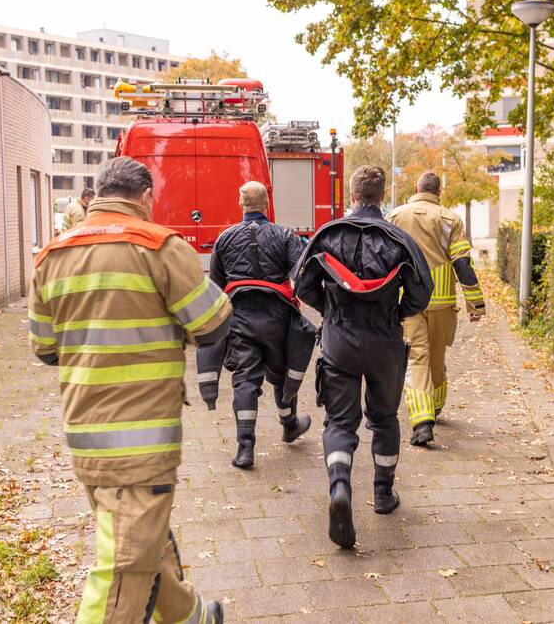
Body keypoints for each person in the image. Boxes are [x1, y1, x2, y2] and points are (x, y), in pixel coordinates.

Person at [29, 157, 229, 624]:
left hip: (85, 436)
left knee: (139, 539)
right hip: (142, 440)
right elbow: (213, 324)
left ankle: (192, 617)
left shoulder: (51, 255)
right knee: (124, 567)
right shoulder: (158, 247)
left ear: (97, 193)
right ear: (145, 198)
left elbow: (43, 348)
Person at [292, 165, 431, 549]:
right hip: (385, 342)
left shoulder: (327, 235)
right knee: (385, 419)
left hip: (339, 340)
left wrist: (332, 312)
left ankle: (340, 489)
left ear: (352, 196)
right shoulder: (400, 240)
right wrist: (395, 315)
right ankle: (384, 495)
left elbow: (302, 285)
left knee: (339, 421)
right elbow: (422, 294)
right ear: (381, 196)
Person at [195, 181, 317, 469]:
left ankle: (245, 449)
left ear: (241, 204)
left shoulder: (225, 238)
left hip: (240, 318)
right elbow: (301, 273)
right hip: (278, 317)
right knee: (282, 373)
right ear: (266, 204)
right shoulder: (285, 235)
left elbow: (215, 286)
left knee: (245, 379)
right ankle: (289, 424)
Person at [387, 172, 486, 447]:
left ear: (416, 188)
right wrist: (475, 304)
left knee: (417, 357)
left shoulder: (395, 217)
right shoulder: (450, 219)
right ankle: (434, 408)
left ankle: (422, 420)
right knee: (436, 357)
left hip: (408, 300)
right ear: (438, 192)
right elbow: (463, 265)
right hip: (442, 302)